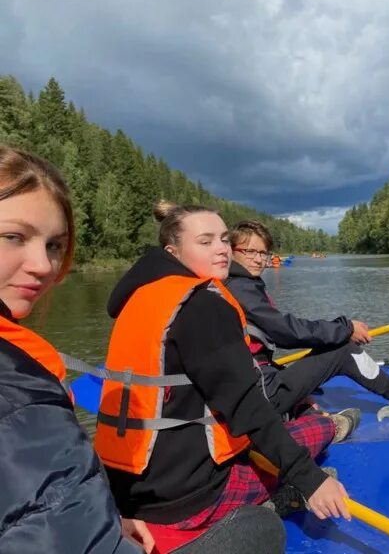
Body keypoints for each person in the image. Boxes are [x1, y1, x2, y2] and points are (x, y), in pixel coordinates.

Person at [93, 202, 351, 552]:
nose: (221, 249)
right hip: (190, 499)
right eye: (205, 241)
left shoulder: (139, 297)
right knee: (310, 431)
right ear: (173, 251)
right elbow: (248, 407)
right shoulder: (202, 303)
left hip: (127, 490)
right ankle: (334, 427)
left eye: (224, 239)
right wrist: (311, 480)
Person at [0, 146, 146, 552]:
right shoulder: (16, 389)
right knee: (260, 529)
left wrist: (107, 517)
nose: (45, 266)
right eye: (14, 236)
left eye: (53, 245)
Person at [224, 219, 389, 428]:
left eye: (263, 253)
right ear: (231, 251)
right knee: (343, 351)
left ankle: (303, 410)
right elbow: (285, 331)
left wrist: (336, 331)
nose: (258, 259)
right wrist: (346, 329)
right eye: (249, 251)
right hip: (260, 395)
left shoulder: (233, 284)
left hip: (250, 387)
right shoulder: (241, 288)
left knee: (325, 343)